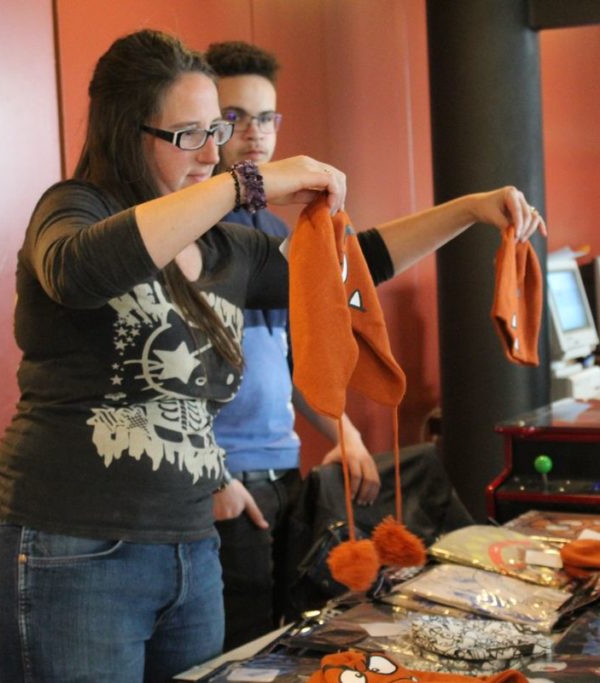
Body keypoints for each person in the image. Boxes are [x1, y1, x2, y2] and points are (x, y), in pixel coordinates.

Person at [0, 29, 545, 683]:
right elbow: (79, 272)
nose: (211, 152)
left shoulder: (224, 249)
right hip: (71, 547)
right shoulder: (72, 209)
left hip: (190, 550)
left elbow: (354, 266)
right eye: (189, 134)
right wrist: (245, 184)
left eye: (214, 130)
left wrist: (469, 211)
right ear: (125, 132)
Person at [203, 40, 377, 648]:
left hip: (282, 471)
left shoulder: (278, 227)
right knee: (237, 647)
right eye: (234, 116)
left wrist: (346, 435)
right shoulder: (194, 225)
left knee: (284, 640)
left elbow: (296, 358)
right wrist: (213, 478)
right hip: (224, 480)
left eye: (266, 117)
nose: (254, 132)